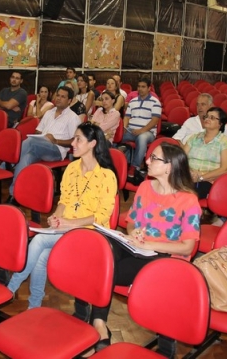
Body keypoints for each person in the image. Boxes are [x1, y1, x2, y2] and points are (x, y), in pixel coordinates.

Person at [82, 142, 201, 352]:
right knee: (103, 250)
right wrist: (133, 232)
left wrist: (148, 243)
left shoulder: (188, 200)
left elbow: (187, 247)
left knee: (106, 270)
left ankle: (97, 322)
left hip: (166, 257)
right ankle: (98, 323)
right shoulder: (146, 186)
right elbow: (132, 221)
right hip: (138, 247)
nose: (147, 161)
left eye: (154, 158)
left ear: (169, 167)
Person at [6, 123, 117, 310]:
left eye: (78, 139)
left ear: (92, 144)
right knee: (41, 257)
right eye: (73, 138)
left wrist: (70, 224)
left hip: (91, 234)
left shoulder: (107, 176)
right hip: (66, 227)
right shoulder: (72, 168)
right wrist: (56, 217)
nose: (72, 143)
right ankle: (34, 305)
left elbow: (101, 216)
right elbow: (64, 201)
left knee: (40, 241)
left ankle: (11, 287)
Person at [6, 86, 81, 202]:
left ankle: (7, 163)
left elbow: (74, 141)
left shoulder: (73, 117)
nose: (59, 99)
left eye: (63, 97)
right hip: (40, 146)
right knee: (27, 157)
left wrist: (55, 141)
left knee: (30, 142)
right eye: (58, 95)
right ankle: (14, 195)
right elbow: (38, 131)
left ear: (70, 101)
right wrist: (40, 136)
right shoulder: (49, 113)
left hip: (56, 150)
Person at [183, 107, 227, 199]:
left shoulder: (225, 142)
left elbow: (225, 169)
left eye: (212, 118)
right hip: (189, 176)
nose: (207, 119)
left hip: (209, 181)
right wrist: (189, 173)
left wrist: (201, 177)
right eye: (206, 117)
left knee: (186, 193)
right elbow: (181, 159)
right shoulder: (194, 138)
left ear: (220, 124)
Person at [120, 78, 161, 182]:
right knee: (117, 135)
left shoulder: (155, 102)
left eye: (143, 87)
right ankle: (120, 163)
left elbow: (155, 120)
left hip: (148, 132)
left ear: (149, 88)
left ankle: (134, 167)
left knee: (142, 138)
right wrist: (124, 127)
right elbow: (127, 117)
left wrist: (142, 130)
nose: (140, 89)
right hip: (131, 130)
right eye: (139, 87)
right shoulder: (132, 101)